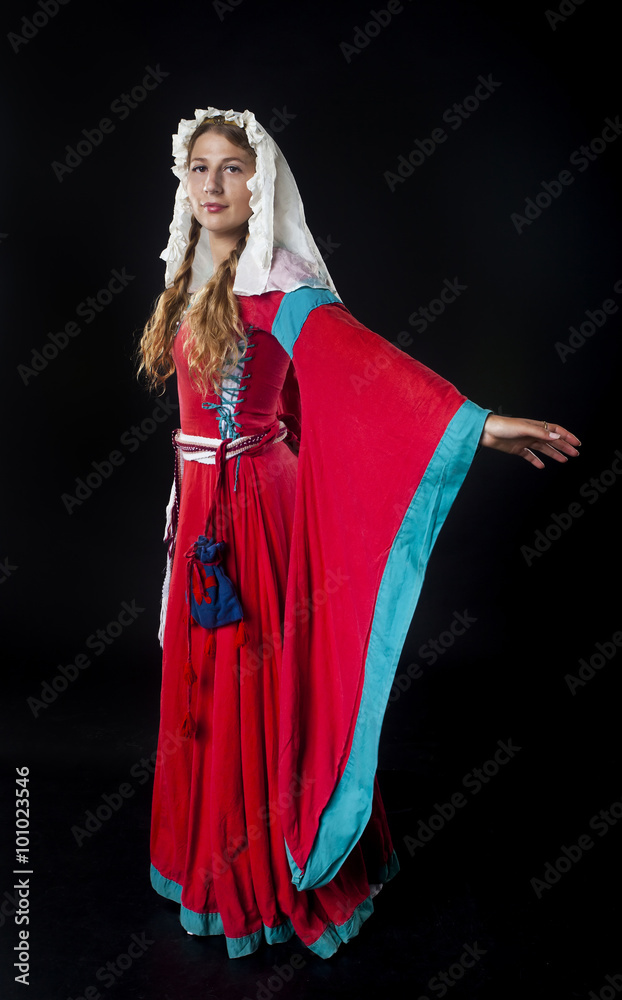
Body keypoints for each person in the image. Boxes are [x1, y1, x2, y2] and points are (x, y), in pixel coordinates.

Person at [138, 107, 580, 959]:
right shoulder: (186, 276)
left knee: (259, 679)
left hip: (256, 516)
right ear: (184, 183)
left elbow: (369, 373)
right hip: (199, 507)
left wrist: (480, 427)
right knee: (205, 687)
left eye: (234, 168)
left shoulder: (285, 288)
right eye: (200, 169)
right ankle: (210, 860)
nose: (215, 185)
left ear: (260, 182)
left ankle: (271, 870)